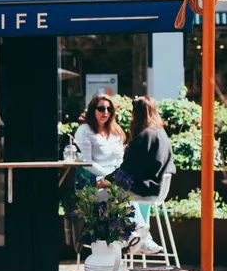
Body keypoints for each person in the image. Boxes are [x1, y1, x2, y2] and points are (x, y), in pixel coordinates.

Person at [107, 95, 175, 254]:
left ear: (136, 114)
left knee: (104, 196)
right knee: (114, 194)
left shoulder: (145, 136)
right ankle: (140, 237)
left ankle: (132, 233)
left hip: (145, 188)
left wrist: (107, 179)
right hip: (157, 188)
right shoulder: (161, 134)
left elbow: (128, 169)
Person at [74, 94, 125, 180]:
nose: (105, 112)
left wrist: (117, 176)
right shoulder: (84, 130)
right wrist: (109, 176)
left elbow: (120, 159)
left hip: (116, 180)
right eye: (101, 109)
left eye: (109, 109)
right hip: (94, 180)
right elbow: (86, 163)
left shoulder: (116, 130)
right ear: (93, 110)